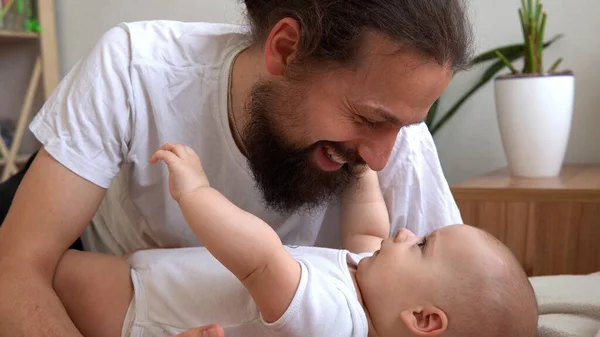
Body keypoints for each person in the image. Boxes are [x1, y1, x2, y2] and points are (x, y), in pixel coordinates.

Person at [0, 0, 473, 336]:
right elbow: (18, 268)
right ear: (285, 48)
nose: (382, 158)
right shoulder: (134, 68)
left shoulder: (399, 141)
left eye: (405, 126)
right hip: (97, 252)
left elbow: (459, 311)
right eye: (368, 119)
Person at [53, 143, 539, 337]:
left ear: (424, 319)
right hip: (148, 284)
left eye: (422, 245)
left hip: (140, 307)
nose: (407, 231)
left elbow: (261, 260)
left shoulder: (333, 321)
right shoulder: (370, 288)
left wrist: (197, 192)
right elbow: (368, 228)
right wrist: (361, 165)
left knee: (40, 275)